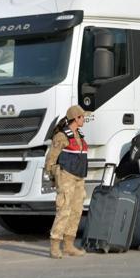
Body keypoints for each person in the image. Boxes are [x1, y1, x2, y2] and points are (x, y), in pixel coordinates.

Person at [45, 105, 89, 259]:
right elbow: (51, 159)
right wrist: (52, 177)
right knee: (64, 210)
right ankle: (55, 245)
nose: (84, 119)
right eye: (82, 116)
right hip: (66, 176)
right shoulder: (62, 137)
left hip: (79, 177)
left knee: (76, 211)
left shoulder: (80, 135)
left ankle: (69, 245)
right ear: (76, 118)